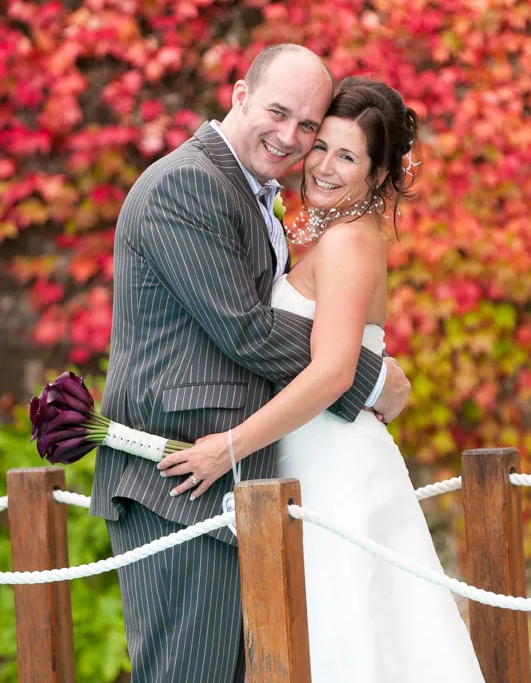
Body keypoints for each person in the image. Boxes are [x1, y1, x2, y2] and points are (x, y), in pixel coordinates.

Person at [89, 45, 411, 683]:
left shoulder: (261, 195)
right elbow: (245, 328)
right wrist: (362, 372)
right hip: (180, 482)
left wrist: (349, 360)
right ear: (239, 94)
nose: (293, 138)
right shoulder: (189, 183)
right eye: (277, 112)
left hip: (245, 480)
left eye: (310, 126)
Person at [160, 78, 486, 682]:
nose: (324, 167)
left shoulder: (347, 244)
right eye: (321, 146)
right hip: (312, 459)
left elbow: (334, 372)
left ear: (378, 172)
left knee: (348, 642)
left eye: (348, 156)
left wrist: (226, 449)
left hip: (334, 467)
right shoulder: (331, 235)